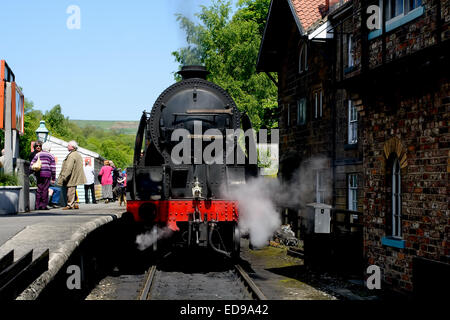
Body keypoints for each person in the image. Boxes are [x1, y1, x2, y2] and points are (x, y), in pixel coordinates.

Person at [57, 140, 86, 210]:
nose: (67, 146)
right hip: (76, 175)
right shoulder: (77, 154)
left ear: (72, 147)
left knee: (70, 191)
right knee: (73, 190)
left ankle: (70, 205)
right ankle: (75, 203)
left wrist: (64, 176)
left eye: (68, 145)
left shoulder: (71, 156)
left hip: (71, 176)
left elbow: (69, 168)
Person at [30, 142, 56, 210]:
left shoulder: (38, 154)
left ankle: (37, 205)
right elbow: (53, 167)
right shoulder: (51, 156)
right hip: (47, 174)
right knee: (45, 190)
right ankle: (43, 205)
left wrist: (33, 170)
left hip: (39, 174)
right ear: (49, 148)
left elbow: (32, 164)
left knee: (39, 189)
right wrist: (53, 178)